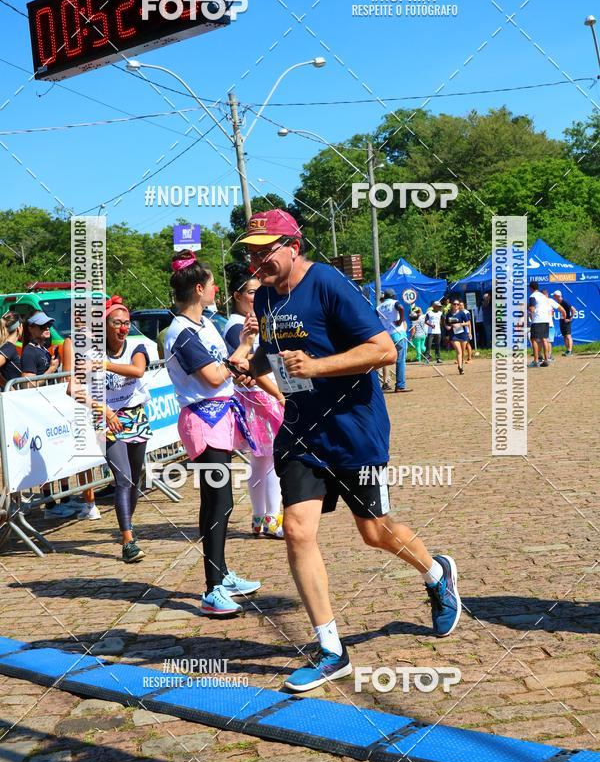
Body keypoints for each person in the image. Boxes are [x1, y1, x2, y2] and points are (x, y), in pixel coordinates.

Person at [237, 209, 460, 692]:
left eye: (265, 249)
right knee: (297, 530)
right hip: (300, 434)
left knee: (375, 533)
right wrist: (252, 363)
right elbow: (276, 358)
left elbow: (384, 350)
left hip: (353, 431)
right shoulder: (270, 299)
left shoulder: (330, 284)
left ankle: (435, 571)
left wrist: (318, 368)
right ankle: (331, 648)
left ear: (293, 245)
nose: (256, 260)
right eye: (251, 252)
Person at [164, 251, 262, 616]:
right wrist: (243, 349)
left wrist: (241, 367)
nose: (218, 290)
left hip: (220, 418)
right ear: (200, 289)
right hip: (202, 423)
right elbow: (212, 377)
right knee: (216, 502)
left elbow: (224, 373)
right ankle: (212, 588)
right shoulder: (182, 332)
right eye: (212, 285)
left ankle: (220, 572)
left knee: (222, 501)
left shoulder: (205, 325)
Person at [224, 262, 285, 539]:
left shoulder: (249, 321)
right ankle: (271, 518)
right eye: (250, 293)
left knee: (261, 462)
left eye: (258, 292)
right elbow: (246, 366)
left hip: (260, 395)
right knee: (269, 460)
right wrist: (278, 394)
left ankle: (262, 518)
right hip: (258, 397)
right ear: (237, 296)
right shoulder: (237, 325)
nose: (255, 297)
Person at [103, 296, 152, 562]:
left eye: (126, 322)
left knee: (136, 477)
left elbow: (138, 370)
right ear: (106, 325)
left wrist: (104, 365)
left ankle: (127, 522)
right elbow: (77, 388)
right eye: (117, 323)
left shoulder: (137, 345)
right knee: (123, 479)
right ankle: (128, 540)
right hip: (107, 419)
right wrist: (105, 411)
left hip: (136, 416)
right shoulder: (91, 351)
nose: (123, 328)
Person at [21, 312, 72, 519]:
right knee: (46, 457)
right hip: (39, 413)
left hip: (50, 410)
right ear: (31, 328)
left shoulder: (42, 349)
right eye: (42, 326)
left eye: (49, 324)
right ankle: (49, 503)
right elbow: (28, 383)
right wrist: (52, 369)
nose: (47, 328)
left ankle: (65, 497)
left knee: (58, 453)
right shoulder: (29, 353)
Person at [61, 327, 101, 521]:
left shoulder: (72, 341)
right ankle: (90, 503)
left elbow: (68, 379)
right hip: (92, 401)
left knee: (87, 454)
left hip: (89, 401)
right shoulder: (96, 339)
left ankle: (91, 504)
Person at [528, 282, 564, 367]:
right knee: (544, 339)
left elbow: (532, 309)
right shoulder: (544, 297)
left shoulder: (533, 296)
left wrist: (529, 309)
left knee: (533, 340)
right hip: (546, 320)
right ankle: (546, 360)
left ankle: (536, 361)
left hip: (537, 320)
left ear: (531, 288)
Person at [376, 288, 398, 389]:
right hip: (392, 333)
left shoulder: (379, 307)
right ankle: (396, 383)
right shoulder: (393, 304)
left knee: (385, 359)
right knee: (396, 359)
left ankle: (385, 381)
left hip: (384, 334)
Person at [445, 299, 470, 374]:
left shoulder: (462, 313)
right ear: (452, 305)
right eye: (454, 304)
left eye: (457, 304)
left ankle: (461, 365)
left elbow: (468, 322)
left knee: (462, 351)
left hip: (462, 334)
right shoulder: (449, 314)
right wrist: (447, 327)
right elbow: (446, 323)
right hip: (453, 335)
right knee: (458, 351)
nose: (456, 305)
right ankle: (460, 367)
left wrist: (460, 324)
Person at [390, 305, 411, 393]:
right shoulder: (394, 304)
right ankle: (400, 385)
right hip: (398, 335)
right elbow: (401, 308)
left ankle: (378, 384)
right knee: (401, 360)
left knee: (380, 361)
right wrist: (399, 321)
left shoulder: (379, 308)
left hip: (386, 335)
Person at [0, 312, 23, 389]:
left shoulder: (8, 347)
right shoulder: (9, 348)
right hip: (12, 397)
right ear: (19, 328)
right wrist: (8, 386)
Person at [552, 290, 576, 356]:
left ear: (557, 296)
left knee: (568, 336)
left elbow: (574, 310)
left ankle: (570, 351)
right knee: (565, 336)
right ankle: (567, 350)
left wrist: (570, 318)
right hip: (562, 320)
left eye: (554, 296)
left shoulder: (564, 302)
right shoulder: (559, 302)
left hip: (566, 321)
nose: (553, 297)